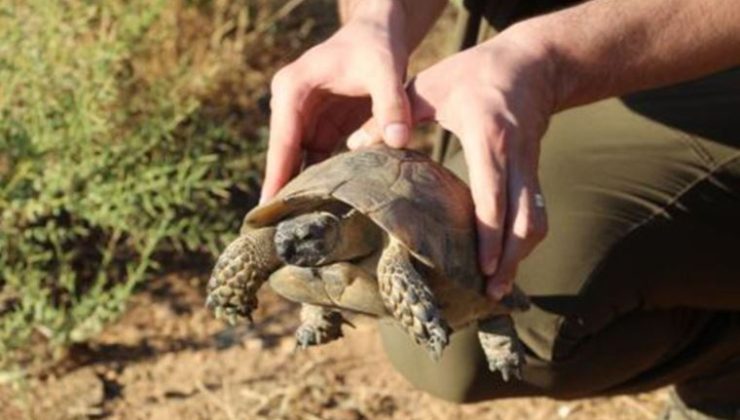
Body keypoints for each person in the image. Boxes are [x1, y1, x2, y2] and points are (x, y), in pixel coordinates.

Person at [260, 0, 740, 417]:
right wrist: (378, 19)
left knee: (485, 321)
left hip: (710, 63)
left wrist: (549, 60)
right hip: (524, 41)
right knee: (442, 335)